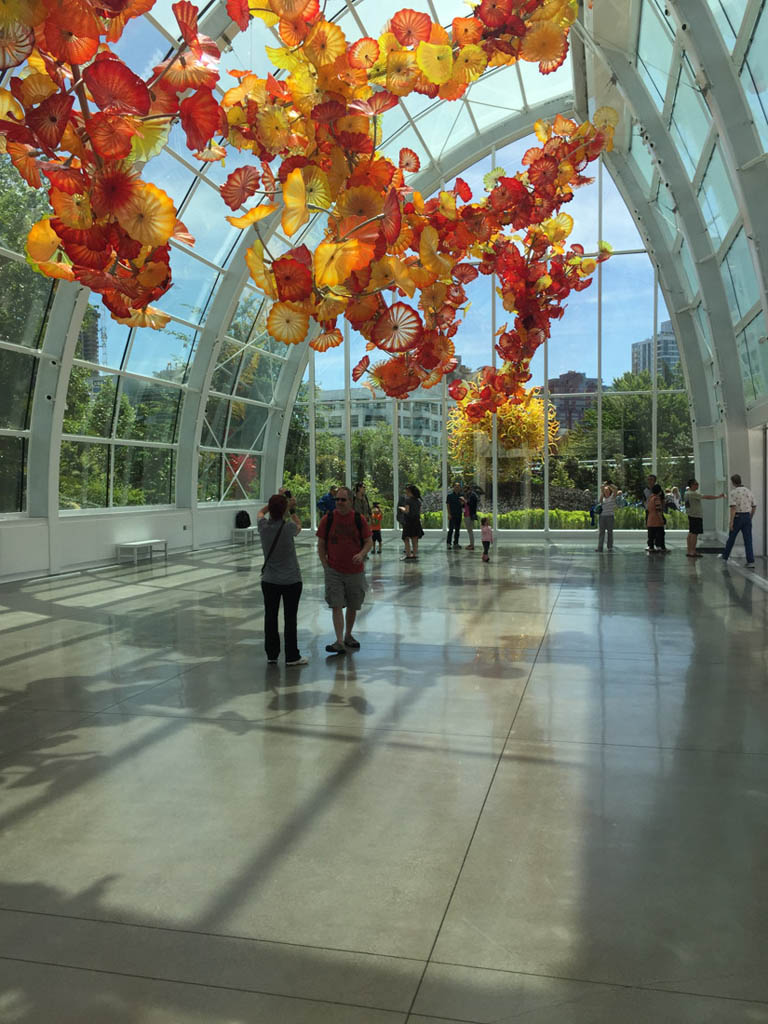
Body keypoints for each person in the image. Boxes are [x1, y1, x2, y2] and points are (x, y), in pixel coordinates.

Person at [317, 485, 372, 653]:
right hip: (334, 570)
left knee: (353, 605)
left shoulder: (358, 519)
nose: (339, 502)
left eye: (343, 500)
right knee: (336, 604)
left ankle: (348, 635)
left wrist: (361, 554)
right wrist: (325, 564)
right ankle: (339, 640)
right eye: (337, 499)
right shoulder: (328, 519)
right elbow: (321, 543)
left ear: (350, 501)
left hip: (355, 570)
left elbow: (368, 541)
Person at [257, 493, 307, 666]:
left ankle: (272, 653)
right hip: (291, 580)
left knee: (270, 617)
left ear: (270, 509)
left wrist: (272, 505)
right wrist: (291, 509)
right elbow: (299, 525)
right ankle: (292, 655)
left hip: (269, 580)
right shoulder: (289, 528)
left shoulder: (263, 526)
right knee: (290, 618)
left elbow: (260, 513)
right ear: (284, 510)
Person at [721, 473, 757, 567]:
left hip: (737, 517)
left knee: (731, 538)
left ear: (733, 482)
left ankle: (725, 557)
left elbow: (733, 508)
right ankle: (750, 561)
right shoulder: (748, 491)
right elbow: (754, 506)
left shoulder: (733, 492)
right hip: (747, 517)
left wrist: (731, 522)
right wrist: (750, 517)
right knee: (748, 540)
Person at [683, 478, 724, 558]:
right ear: (691, 485)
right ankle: (692, 551)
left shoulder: (686, 493)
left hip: (691, 515)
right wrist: (718, 496)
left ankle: (689, 550)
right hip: (696, 515)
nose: (697, 485)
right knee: (694, 533)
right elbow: (706, 497)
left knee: (691, 532)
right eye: (696, 484)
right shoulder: (692, 494)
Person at [398, 484, 424, 560]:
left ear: (410, 492)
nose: (405, 492)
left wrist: (402, 508)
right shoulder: (418, 501)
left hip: (409, 522)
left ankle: (408, 554)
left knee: (406, 538)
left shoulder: (408, 500)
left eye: (406, 491)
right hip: (416, 521)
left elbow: (407, 511)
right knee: (415, 539)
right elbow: (418, 512)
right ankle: (414, 554)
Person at [595, 482, 617, 552]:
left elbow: (616, 489)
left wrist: (609, 484)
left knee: (610, 532)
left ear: (610, 491)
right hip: (602, 517)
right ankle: (600, 547)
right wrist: (603, 489)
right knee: (601, 532)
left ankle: (610, 547)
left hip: (610, 516)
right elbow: (600, 501)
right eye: (605, 491)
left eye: (607, 491)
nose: (606, 492)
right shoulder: (603, 498)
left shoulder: (612, 497)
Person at [646, 483, 667, 553]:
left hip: (650, 519)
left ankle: (651, 547)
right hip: (656, 520)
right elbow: (658, 510)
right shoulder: (657, 499)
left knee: (651, 535)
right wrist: (661, 519)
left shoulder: (650, 498)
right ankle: (662, 547)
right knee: (660, 534)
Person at [446, 482, 464, 548]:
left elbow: (463, 505)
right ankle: (448, 543)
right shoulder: (450, 496)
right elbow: (448, 505)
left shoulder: (462, 496)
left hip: (459, 514)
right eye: (456, 487)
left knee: (457, 529)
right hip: (452, 514)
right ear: (453, 487)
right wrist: (449, 514)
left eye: (458, 487)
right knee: (450, 529)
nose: (457, 488)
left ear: (460, 488)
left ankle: (456, 543)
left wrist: (463, 503)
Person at [463, 486, 478, 550]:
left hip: (470, 515)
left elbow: (471, 504)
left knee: (470, 530)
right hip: (467, 514)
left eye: (466, 491)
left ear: (469, 489)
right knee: (469, 530)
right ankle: (471, 544)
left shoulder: (472, 496)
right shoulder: (469, 496)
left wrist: (465, 501)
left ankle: (472, 545)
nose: (465, 492)